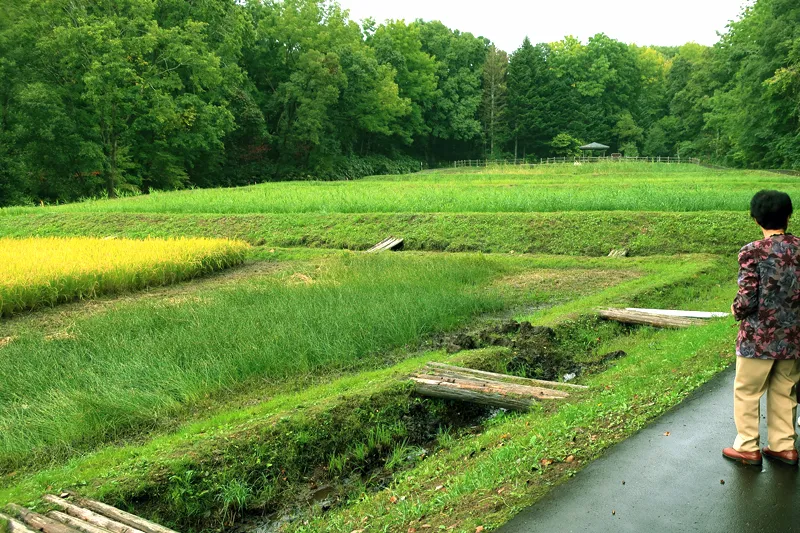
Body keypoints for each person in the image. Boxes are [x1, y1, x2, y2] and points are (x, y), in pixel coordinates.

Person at [723, 190, 800, 466]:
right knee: (784, 390)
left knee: (747, 390)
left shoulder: (752, 251)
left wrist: (735, 309)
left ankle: (747, 447)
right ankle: (784, 446)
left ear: (755, 218)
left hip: (758, 338)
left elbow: (747, 298)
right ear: (789, 216)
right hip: (793, 337)